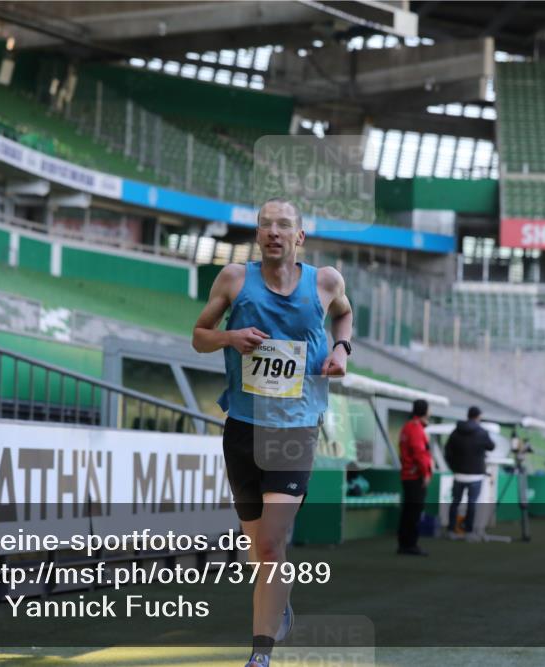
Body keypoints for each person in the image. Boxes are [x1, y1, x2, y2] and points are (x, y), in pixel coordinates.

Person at [192, 197, 353, 667]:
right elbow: (199, 335)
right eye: (266, 225)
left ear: (299, 237)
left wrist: (341, 350)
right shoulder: (234, 280)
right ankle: (277, 602)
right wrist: (228, 337)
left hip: (296, 429)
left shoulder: (325, 281)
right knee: (258, 553)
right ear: (258, 235)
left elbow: (343, 314)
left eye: (284, 225)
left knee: (270, 542)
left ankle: (260, 655)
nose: (274, 232)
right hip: (242, 428)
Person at [445, 406, 495, 538]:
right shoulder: (482, 432)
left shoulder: (456, 431)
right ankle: (469, 532)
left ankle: (451, 530)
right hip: (475, 475)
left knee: (455, 502)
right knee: (471, 503)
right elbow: (491, 446)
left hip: (458, 473)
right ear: (478, 417)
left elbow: (447, 451)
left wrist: (453, 467)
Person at [397, 399, 433, 556]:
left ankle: (404, 544)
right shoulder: (416, 429)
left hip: (408, 474)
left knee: (409, 511)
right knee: (414, 511)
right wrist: (425, 473)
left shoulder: (407, 427)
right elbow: (420, 454)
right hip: (415, 476)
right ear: (425, 411)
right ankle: (410, 544)